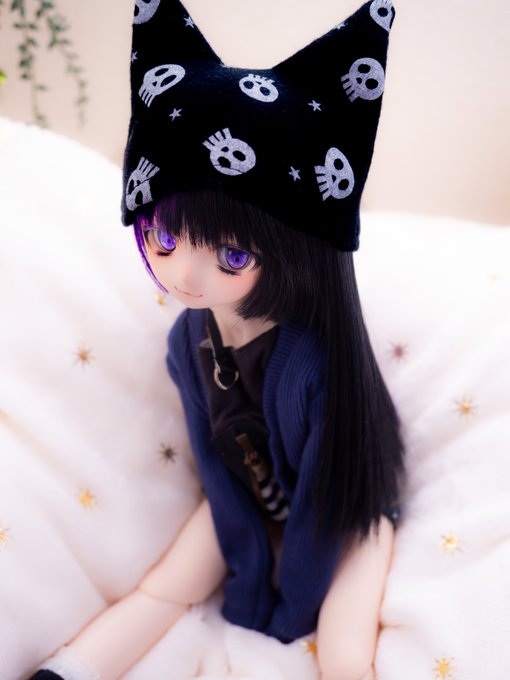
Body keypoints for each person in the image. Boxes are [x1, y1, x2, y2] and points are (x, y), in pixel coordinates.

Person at [30, 1, 404, 678]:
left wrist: (289, 604)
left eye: (232, 255)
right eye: (163, 238)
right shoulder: (188, 342)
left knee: (345, 638)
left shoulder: (315, 363)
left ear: (295, 252)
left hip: (349, 503)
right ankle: (75, 667)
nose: (184, 276)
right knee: (167, 582)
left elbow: (325, 499)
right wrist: (248, 571)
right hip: (253, 488)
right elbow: (213, 461)